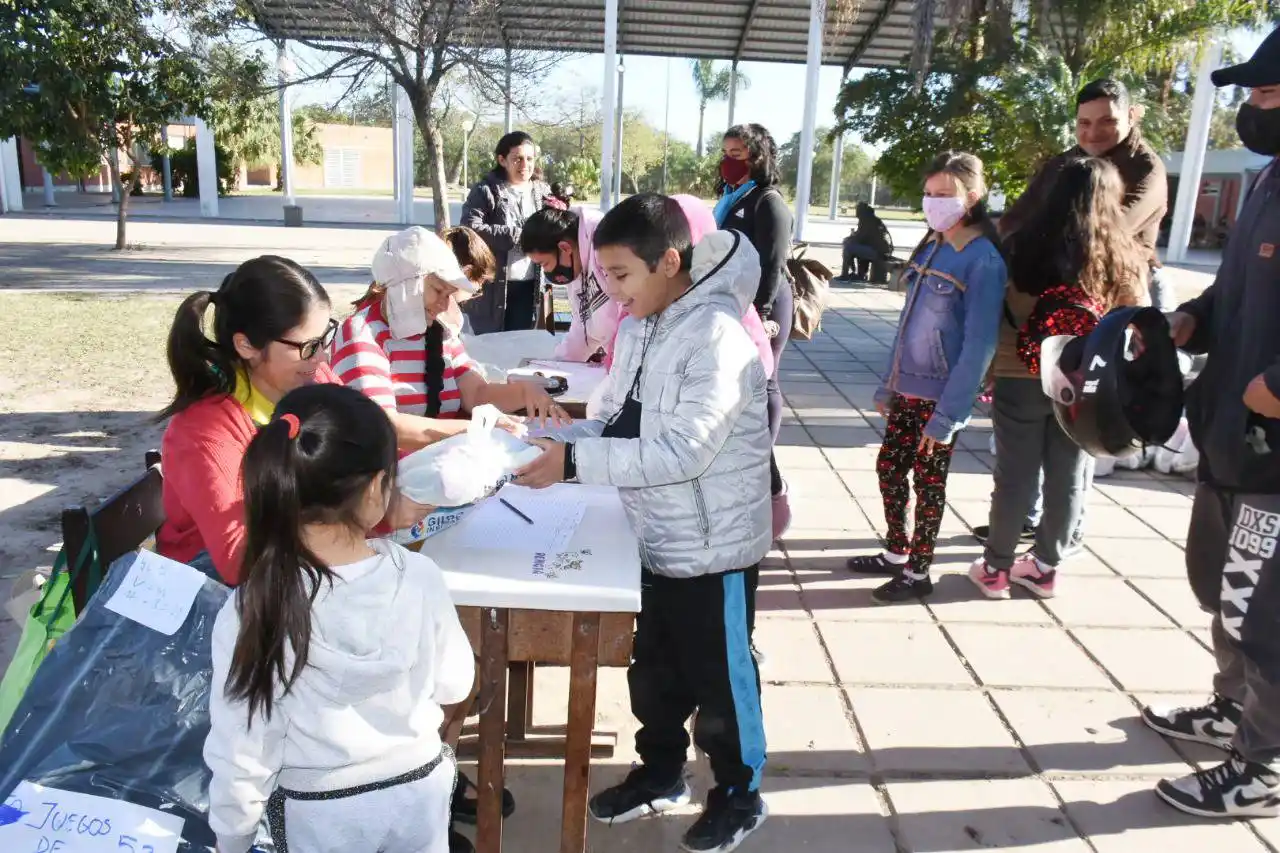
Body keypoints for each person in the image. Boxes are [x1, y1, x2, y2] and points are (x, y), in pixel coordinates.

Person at [513, 194, 772, 852]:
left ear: (670, 261)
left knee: (721, 677)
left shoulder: (718, 337)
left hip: (714, 547)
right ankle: (661, 771)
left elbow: (684, 451)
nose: (614, 294)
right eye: (607, 278)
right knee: (654, 672)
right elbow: (618, 416)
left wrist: (573, 460)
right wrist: (560, 439)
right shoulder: (640, 325)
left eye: (623, 276)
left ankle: (739, 793)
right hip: (656, 535)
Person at [204, 383, 475, 853]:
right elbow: (454, 685)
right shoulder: (418, 576)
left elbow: (243, 747)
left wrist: (233, 837)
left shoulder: (257, 602)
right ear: (376, 488)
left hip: (318, 808)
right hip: (418, 790)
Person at [1141, 30, 1280, 818]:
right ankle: (1234, 708)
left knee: (1268, 611)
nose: (1251, 107)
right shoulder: (1266, 183)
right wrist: (1193, 320)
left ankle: (1264, 763)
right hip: (1230, 435)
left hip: (1275, 452)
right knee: (1226, 592)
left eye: (1267, 92)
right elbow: (1234, 295)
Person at [971, 77, 1170, 548]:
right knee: (1036, 439)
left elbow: (1106, 234)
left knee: (1086, 428)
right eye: (1084, 122)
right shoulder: (1065, 162)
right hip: (1048, 302)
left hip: (1116, 298)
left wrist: (1040, 243)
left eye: (1106, 121)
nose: (1094, 132)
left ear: (1131, 115)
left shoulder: (1145, 169)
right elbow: (1018, 218)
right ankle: (1032, 522)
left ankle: (1064, 535)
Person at [155, 256, 430, 585]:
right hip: (216, 597)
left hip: (298, 571)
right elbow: (240, 561)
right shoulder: (205, 431)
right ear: (246, 345)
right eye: (308, 346)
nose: (324, 356)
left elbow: (364, 446)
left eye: (325, 337)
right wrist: (371, 515)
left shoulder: (313, 379)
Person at [968, 157, 1145, 602]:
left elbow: (996, 311)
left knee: (1014, 475)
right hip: (1085, 383)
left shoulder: (1020, 244)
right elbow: (1140, 319)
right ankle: (1045, 567)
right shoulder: (1120, 253)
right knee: (1069, 474)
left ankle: (996, 568)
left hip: (1020, 373)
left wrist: (988, 371)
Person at [843, 151, 1007, 604]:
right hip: (907, 389)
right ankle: (897, 550)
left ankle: (919, 571)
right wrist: (888, 383)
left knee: (929, 483)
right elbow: (909, 323)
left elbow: (978, 348)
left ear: (972, 198)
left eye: (944, 195)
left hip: (940, 400)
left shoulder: (983, 261)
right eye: (929, 194)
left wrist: (949, 415)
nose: (933, 203)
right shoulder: (933, 246)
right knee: (890, 469)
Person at [331, 225, 568, 452]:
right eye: (437, 290)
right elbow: (384, 427)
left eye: (449, 294)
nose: (445, 304)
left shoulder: (439, 330)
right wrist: (476, 429)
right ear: (404, 284)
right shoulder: (362, 333)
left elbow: (475, 394)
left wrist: (526, 393)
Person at [717, 123, 795, 537]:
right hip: (733, 301)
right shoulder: (732, 196)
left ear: (759, 157)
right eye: (726, 152)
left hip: (764, 303)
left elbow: (774, 264)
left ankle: (771, 481)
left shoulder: (769, 202)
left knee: (762, 383)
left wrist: (761, 313)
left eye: (739, 154)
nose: (730, 161)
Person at [461, 131, 549, 334]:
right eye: (517, 159)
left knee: (525, 346)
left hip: (533, 286)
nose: (525, 165)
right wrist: (517, 235)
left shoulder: (543, 192)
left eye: (529, 159)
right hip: (494, 288)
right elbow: (470, 227)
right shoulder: (486, 190)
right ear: (502, 160)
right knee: (493, 348)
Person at [519, 203, 621, 362]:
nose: (546, 272)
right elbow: (582, 327)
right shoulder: (576, 261)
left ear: (564, 248)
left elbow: (628, 316)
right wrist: (556, 364)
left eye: (544, 264)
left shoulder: (607, 248)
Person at [842, 202, 893, 281]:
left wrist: (848, 239)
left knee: (848, 248)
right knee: (857, 248)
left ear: (860, 210)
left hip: (879, 253)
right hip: (882, 250)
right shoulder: (871, 218)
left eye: (857, 209)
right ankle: (861, 275)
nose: (856, 212)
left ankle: (845, 275)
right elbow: (864, 237)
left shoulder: (866, 219)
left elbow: (860, 238)